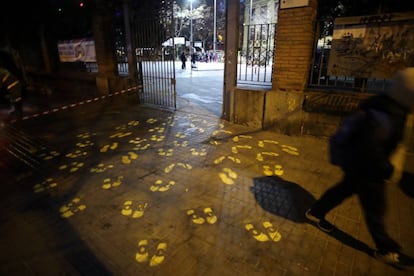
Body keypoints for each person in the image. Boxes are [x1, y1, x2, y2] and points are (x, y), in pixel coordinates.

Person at [305, 67, 414, 268]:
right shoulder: (386, 114)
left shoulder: (390, 108)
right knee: (375, 209)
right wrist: (392, 173)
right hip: (366, 168)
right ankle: (386, 249)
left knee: (343, 190)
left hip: (359, 165)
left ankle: (315, 211)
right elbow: (371, 150)